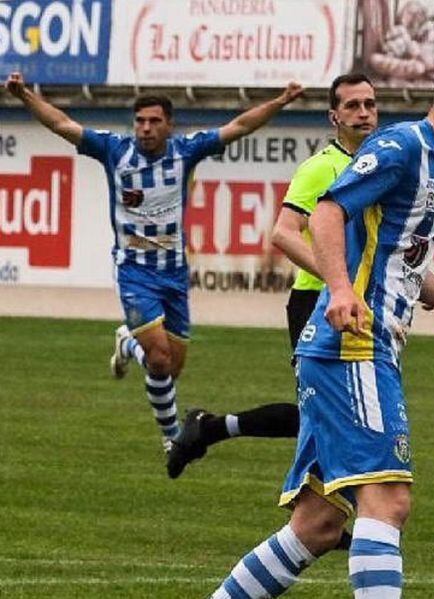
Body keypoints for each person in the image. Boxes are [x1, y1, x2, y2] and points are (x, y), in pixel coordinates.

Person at [209, 40, 434, 599]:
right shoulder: (402, 145)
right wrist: (336, 289)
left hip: (355, 350)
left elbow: (406, 271)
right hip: (354, 346)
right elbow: (328, 210)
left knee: (317, 526)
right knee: (388, 501)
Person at [4, 71, 302, 460]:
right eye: (140, 121)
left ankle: (127, 342)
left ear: (169, 124)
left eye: (154, 121)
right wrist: (25, 94)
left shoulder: (186, 151)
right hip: (133, 272)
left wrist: (280, 101)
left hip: (174, 274)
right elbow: (62, 123)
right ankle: (173, 436)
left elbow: (239, 126)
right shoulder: (114, 150)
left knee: (170, 367)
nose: (145, 128)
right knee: (160, 359)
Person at [166, 72, 379, 479]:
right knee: (329, 416)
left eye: (369, 104)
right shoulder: (322, 168)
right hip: (317, 302)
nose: (363, 113)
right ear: (334, 117)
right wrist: (338, 281)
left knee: (334, 416)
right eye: (352, 106)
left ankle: (211, 428)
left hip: (356, 302)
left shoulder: (378, 166)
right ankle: (319, 520)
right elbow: (283, 232)